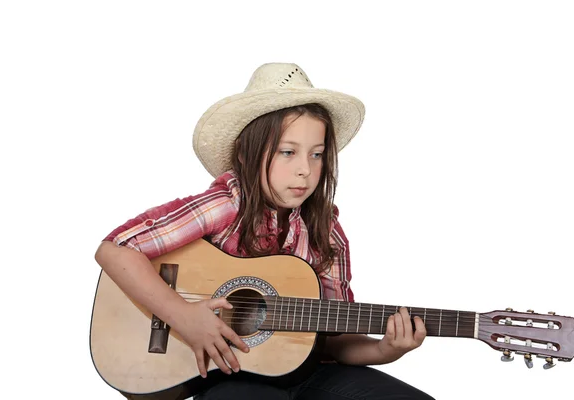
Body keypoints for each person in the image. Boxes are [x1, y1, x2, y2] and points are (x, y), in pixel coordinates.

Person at [95, 62, 434, 400]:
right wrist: (183, 316)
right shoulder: (225, 205)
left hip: (306, 372)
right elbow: (115, 250)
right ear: (245, 154)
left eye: (316, 155)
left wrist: (385, 350)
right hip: (229, 374)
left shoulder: (326, 232)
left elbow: (334, 340)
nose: (305, 170)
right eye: (288, 152)